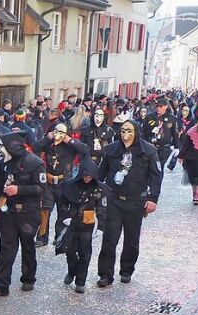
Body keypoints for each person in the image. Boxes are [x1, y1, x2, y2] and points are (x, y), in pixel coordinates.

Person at [96, 120, 162, 287]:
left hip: (136, 202)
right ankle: (105, 274)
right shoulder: (111, 150)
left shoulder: (148, 151)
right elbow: (100, 173)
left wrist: (152, 199)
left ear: (136, 132)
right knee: (110, 238)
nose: (126, 135)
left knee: (131, 240)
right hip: (114, 201)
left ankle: (126, 270)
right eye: (123, 131)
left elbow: (156, 176)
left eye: (129, 131)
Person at [0, 132, 46, 295]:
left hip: (28, 212)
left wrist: (19, 189)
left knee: (27, 246)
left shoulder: (35, 163)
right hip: (9, 211)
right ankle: (1, 284)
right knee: (7, 247)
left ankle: (28, 278)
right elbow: (0, 186)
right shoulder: (5, 163)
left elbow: (41, 188)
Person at [32, 125, 92, 246]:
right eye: (56, 131)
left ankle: (60, 237)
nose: (57, 134)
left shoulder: (70, 145)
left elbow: (85, 150)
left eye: (60, 132)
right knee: (45, 209)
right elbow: (35, 147)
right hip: (48, 181)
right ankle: (42, 237)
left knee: (63, 210)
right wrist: (46, 138)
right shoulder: (49, 143)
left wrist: (70, 140)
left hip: (64, 181)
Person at [59, 157, 104, 293]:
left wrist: (100, 226)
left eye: (90, 177)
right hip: (72, 224)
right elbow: (63, 204)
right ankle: (71, 272)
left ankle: (80, 281)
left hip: (87, 225)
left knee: (85, 254)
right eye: (85, 176)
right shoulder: (70, 186)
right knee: (70, 252)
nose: (87, 179)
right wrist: (65, 217)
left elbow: (102, 208)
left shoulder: (99, 189)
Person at [142, 97, 179, 171]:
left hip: (164, 148)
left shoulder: (171, 118)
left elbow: (175, 133)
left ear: (165, 107)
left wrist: (176, 147)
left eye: (160, 106)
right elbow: (144, 132)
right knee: (150, 167)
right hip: (151, 146)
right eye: (157, 106)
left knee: (159, 168)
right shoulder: (149, 117)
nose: (158, 108)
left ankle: (157, 182)